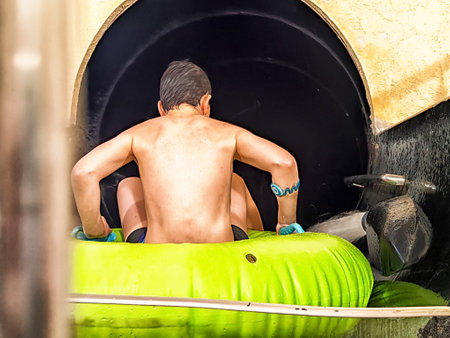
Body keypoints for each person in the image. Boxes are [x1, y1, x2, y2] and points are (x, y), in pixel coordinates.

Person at [71, 60, 302, 244]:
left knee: (128, 185)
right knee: (235, 182)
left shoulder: (139, 135)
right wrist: (285, 223)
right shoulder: (228, 134)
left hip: (159, 252)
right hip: (220, 250)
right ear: (205, 103)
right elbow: (284, 163)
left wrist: (95, 231)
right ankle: (257, 247)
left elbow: (83, 173)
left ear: (161, 108)